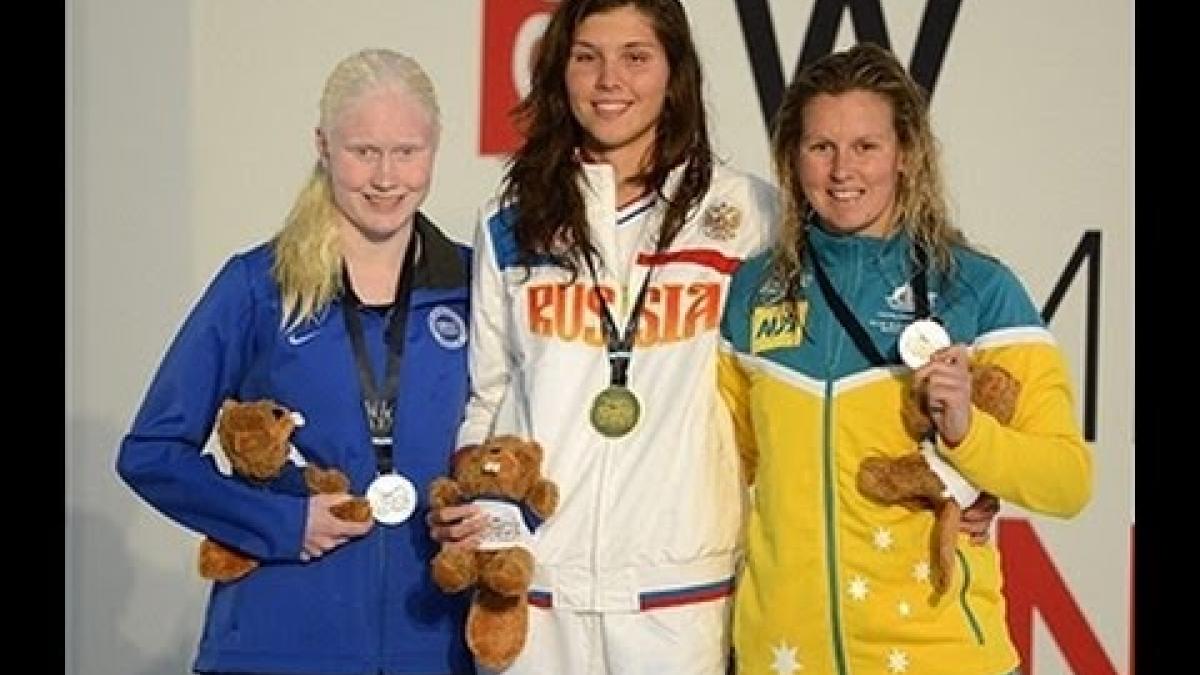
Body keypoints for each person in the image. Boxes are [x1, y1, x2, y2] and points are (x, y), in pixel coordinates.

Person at [716, 42, 1094, 674]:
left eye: (866, 146)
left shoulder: (977, 289)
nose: (842, 171)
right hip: (783, 657)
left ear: (907, 154)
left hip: (938, 656)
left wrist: (971, 438)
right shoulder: (755, 290)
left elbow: (1067, 480)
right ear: (791, 157)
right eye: (820, 147)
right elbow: (720, 468)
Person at [431, 1, 778, 673]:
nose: (608, 79)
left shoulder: (748, 214)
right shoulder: (510, 222)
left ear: (675, 72)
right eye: (586, 57)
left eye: (636, 57)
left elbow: (793, 386)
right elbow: (488, 391)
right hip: (537, 591)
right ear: (559, 71)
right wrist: (483, 503)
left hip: (680, 594)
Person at [116, 48, 475, 674]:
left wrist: (497, 517)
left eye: (407, 152)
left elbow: (524, 445)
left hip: (437, 645)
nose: (387, 177)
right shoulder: (258, 285)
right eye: (364, 151)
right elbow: (151, 452)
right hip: (278, 642)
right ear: (324, 146)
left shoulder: (475, 286)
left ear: (435, 147)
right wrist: (280, 522)